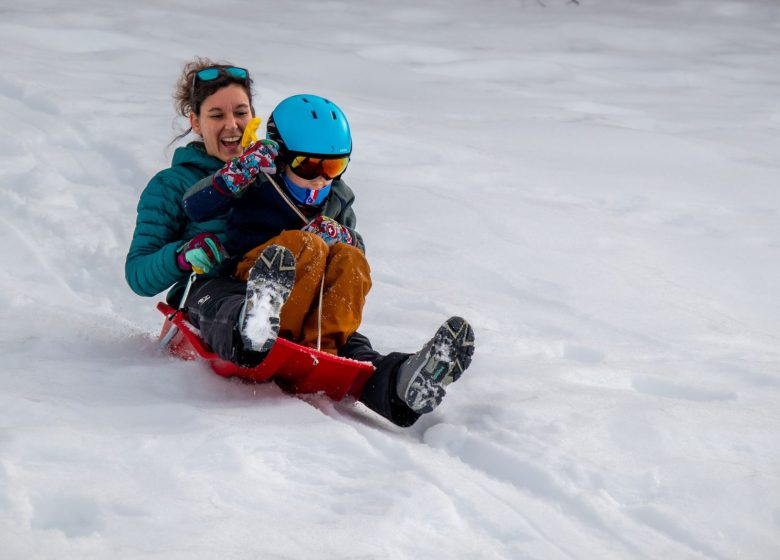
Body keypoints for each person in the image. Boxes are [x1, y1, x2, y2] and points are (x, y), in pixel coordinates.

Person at [125, 58, 474, 427]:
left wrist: (344, 236)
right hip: (212, 293)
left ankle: (402, 382)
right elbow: (138, 274)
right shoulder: (172, 185)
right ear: (195, 121)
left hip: (293, 296)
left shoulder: (294, 170)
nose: (231, 125)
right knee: (231, 304)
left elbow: (347, 252)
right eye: (216, 115)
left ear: (255, 118)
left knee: (350, 347)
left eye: (240, 112)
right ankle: (252, 325)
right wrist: (182, 257)